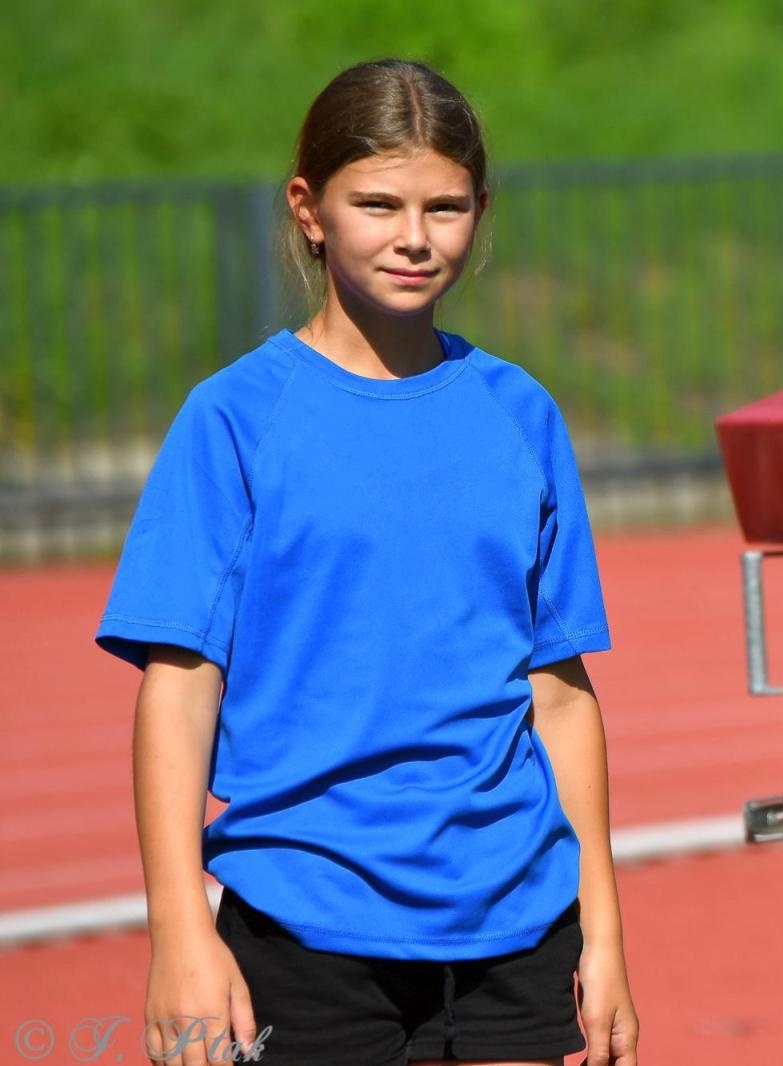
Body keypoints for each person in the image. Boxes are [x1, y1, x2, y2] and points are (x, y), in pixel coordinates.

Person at [96, 59, 640, 1066]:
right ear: (309, 210)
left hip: (515, 925)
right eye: (377, 203)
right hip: (304, 922)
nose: (414, 237)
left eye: (446, 206)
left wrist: (602, 929)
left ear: (482, 209)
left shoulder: (519, 412)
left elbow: (560, 694)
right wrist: (179, 930)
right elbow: (179, 685)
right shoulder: (233, 419)